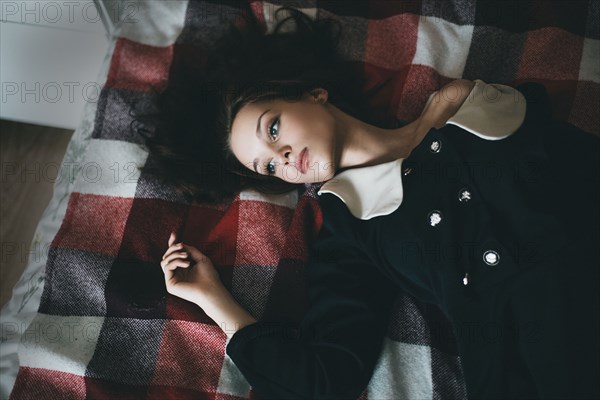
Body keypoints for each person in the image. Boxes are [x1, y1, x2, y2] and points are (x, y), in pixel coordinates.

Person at [141, 6, 600, 400]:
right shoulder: (349, 234)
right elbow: (327, 378)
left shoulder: (470, 104)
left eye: (273, 128)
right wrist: (215, 300)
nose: (281, 159)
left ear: (313, 94)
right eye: (268, 168)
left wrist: (434, 123)